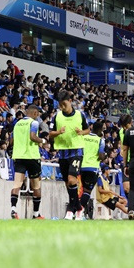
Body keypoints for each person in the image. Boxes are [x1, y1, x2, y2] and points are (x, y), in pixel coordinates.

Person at [49, 90, 90, 220]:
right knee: (68, 184)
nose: (62, 108)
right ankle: (78, 208)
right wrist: (58, 132)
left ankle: (70, 210)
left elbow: (88, 130)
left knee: (72, 180)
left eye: (64, 104)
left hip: (77, 151)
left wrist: (81, 132)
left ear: (70, 101)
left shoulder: (80, 115)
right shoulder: (57, 116)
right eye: (60, 105)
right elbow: (50, 133)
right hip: (62, 152)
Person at [10, 104, 46, 219]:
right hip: (31, 157)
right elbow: (32, 137)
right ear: (35, 113)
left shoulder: (17, 123)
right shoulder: (34, 123)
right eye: (38, 113)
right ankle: (36, 214)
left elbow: (11, 141)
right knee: (36, 186)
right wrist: (43, 140)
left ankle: (13, 210)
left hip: (19, 156)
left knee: (17, 184)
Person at [78, 120, 106, 220]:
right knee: (87, 191)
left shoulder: (84, 137)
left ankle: (79, 213)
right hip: (92, 168)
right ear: (100, 130)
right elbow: (101, 155)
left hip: (82, 167)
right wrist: (104, 157)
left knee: (82, 191)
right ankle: (78, 212)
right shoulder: (100, 140)